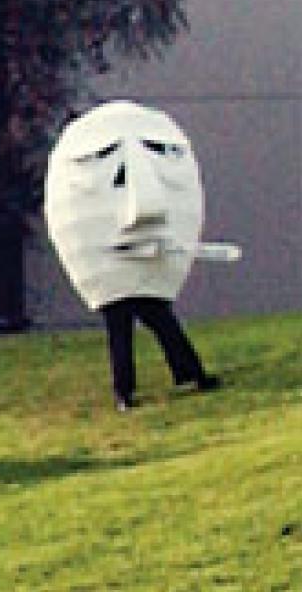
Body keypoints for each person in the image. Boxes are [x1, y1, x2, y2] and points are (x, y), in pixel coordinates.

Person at [43, 100, 239, 411]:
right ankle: (135, 388)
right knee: (133, 327)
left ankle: (178, 376)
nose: (141, 209)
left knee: (157, 322)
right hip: (115, 262)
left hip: (144, 260)